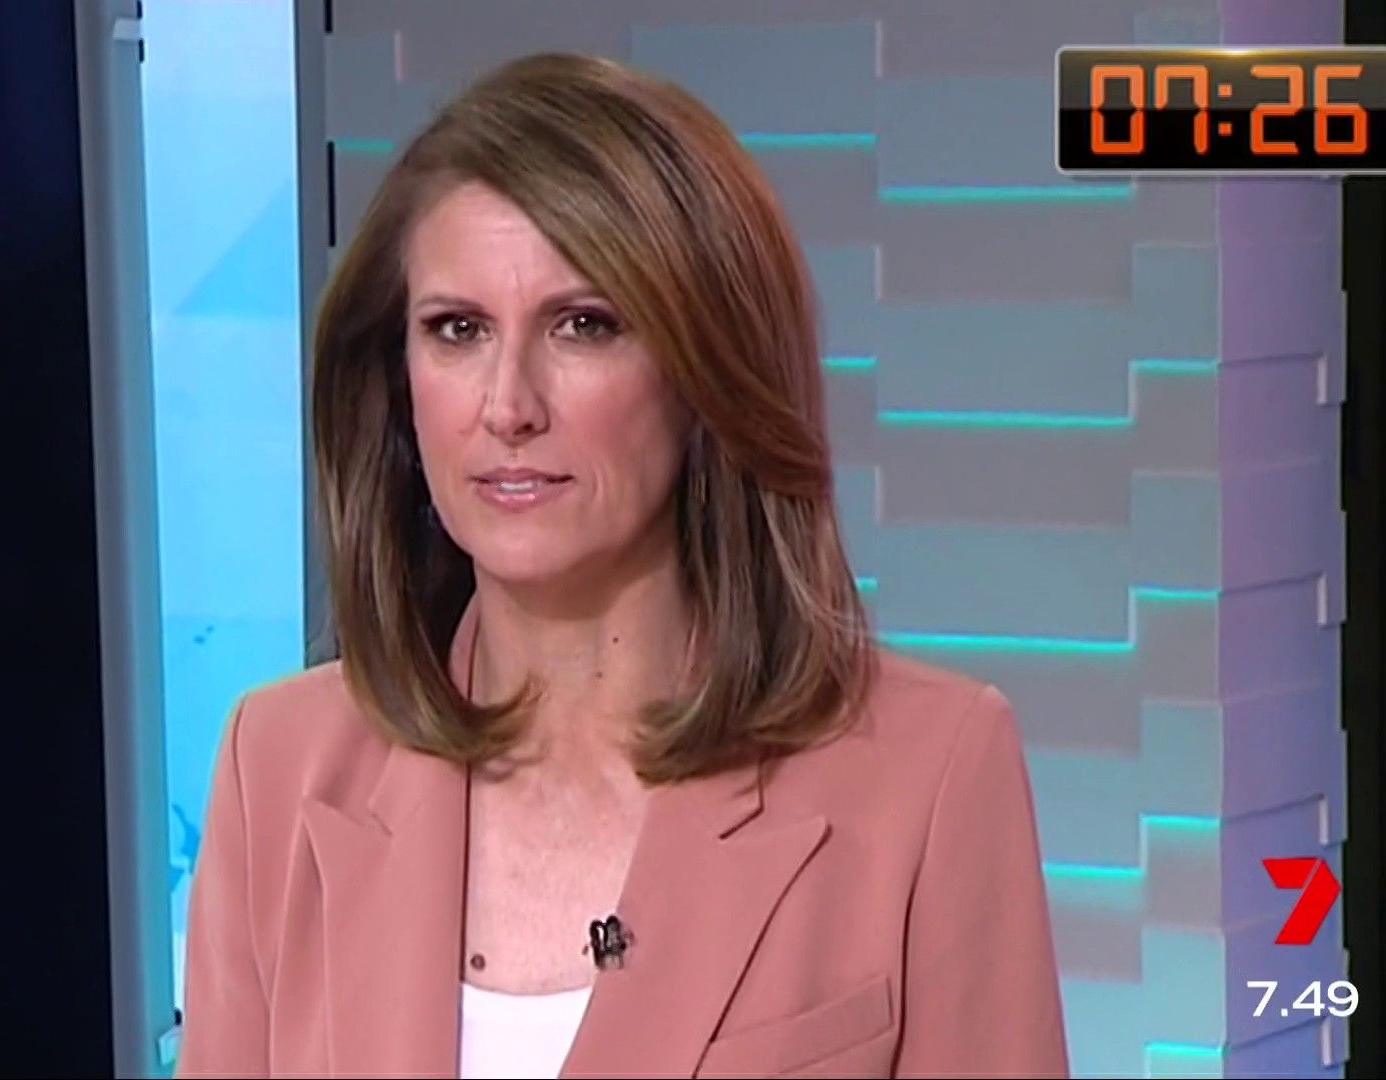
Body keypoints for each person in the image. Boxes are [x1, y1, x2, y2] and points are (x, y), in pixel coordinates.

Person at [177, 52, 1068, 1080]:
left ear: (706, 373)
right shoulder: (278, 765)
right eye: (457, 330)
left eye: (583, 326)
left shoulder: (929, 774)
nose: (508, 405)